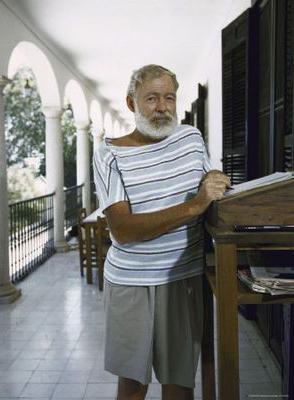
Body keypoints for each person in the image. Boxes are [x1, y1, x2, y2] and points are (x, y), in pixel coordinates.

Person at [93, 64, 230, 400]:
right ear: (131, 103)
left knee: (179, 382)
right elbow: (122, 230)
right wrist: (193, 206)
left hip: (183, 278)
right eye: (151, 98)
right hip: (130, 282)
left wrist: (217, 187)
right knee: (132, 384)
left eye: (169, 97)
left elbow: (210, 190)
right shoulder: (109, 154)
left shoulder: (191, 139)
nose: (162, 107)